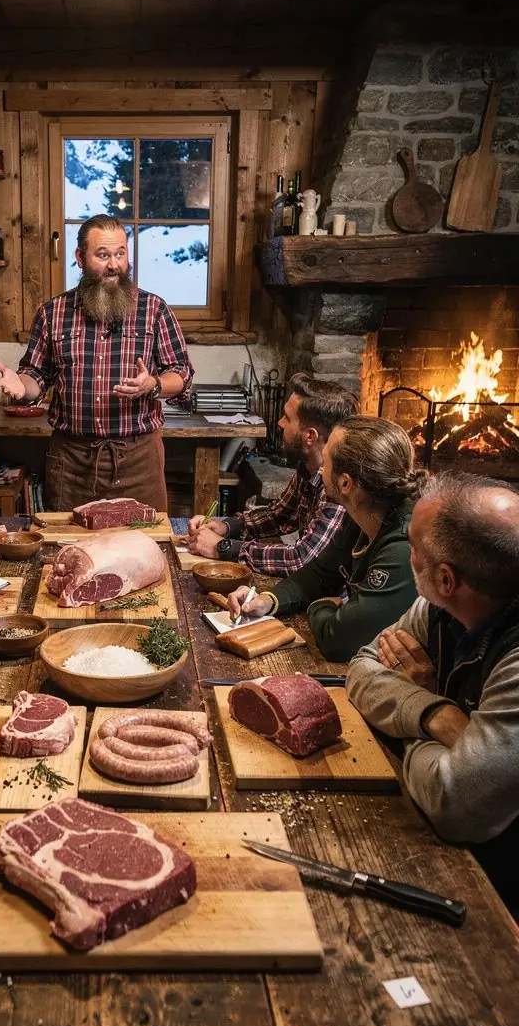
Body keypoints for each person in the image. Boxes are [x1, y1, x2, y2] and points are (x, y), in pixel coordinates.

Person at [347, 472, 519, 916]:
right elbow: (362, 667)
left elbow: (454, 800)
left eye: (412, 548)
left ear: (445, 578)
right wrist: (434, 714)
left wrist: (403, 727)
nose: (407, 557)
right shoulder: (442, 605)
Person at [0, 214, 193, 512]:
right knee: (68, 551)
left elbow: (181, 374)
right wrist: (20, 385)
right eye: (102, 255)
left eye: (120, 254)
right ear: (80, 257)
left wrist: (154, 385)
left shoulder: (154, 309)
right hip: (72, 462)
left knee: (147, 548)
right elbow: (36, 375)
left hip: (138, 461)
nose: (114, 265)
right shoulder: (53, 312)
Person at [226, 416, 423, 662]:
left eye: (326, 461)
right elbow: (321, 573)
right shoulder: (362, 512)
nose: (320, 470)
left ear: (345, 483)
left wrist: (322, 606)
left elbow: (338, 640)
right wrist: (267, 601)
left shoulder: (403, 548)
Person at [187, 374, 358, 572]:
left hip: (329, 599)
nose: (280, 423)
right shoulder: (309, 467)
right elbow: (278, 514)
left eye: (287, 418)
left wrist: (222, 547)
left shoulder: (337, 484)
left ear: (310, 436)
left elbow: (301, 559)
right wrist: (226, 527)